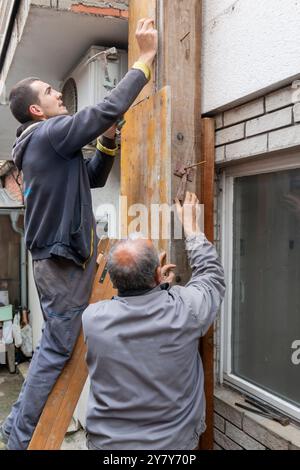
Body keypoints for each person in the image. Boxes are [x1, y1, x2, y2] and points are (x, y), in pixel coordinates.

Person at [0, 18, 158, 451]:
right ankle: (18, 438)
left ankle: (14, 424)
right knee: (57, 350)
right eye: (50, 93)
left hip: (58, 259)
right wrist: (143, 61)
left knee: (58, 344)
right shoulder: (49, 135)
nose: (57, 94)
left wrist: (108, 141)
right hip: (62, 261)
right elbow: (104, 110)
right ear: (37, 109)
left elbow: (90, 176)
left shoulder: (47, 146)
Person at [82, 192, 226, 450]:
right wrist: (191, 228)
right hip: (173, 447)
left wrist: (158, 289)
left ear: (113, 281)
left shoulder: (93, 319)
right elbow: (211, 277)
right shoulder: (185, 310)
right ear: (159, 275)